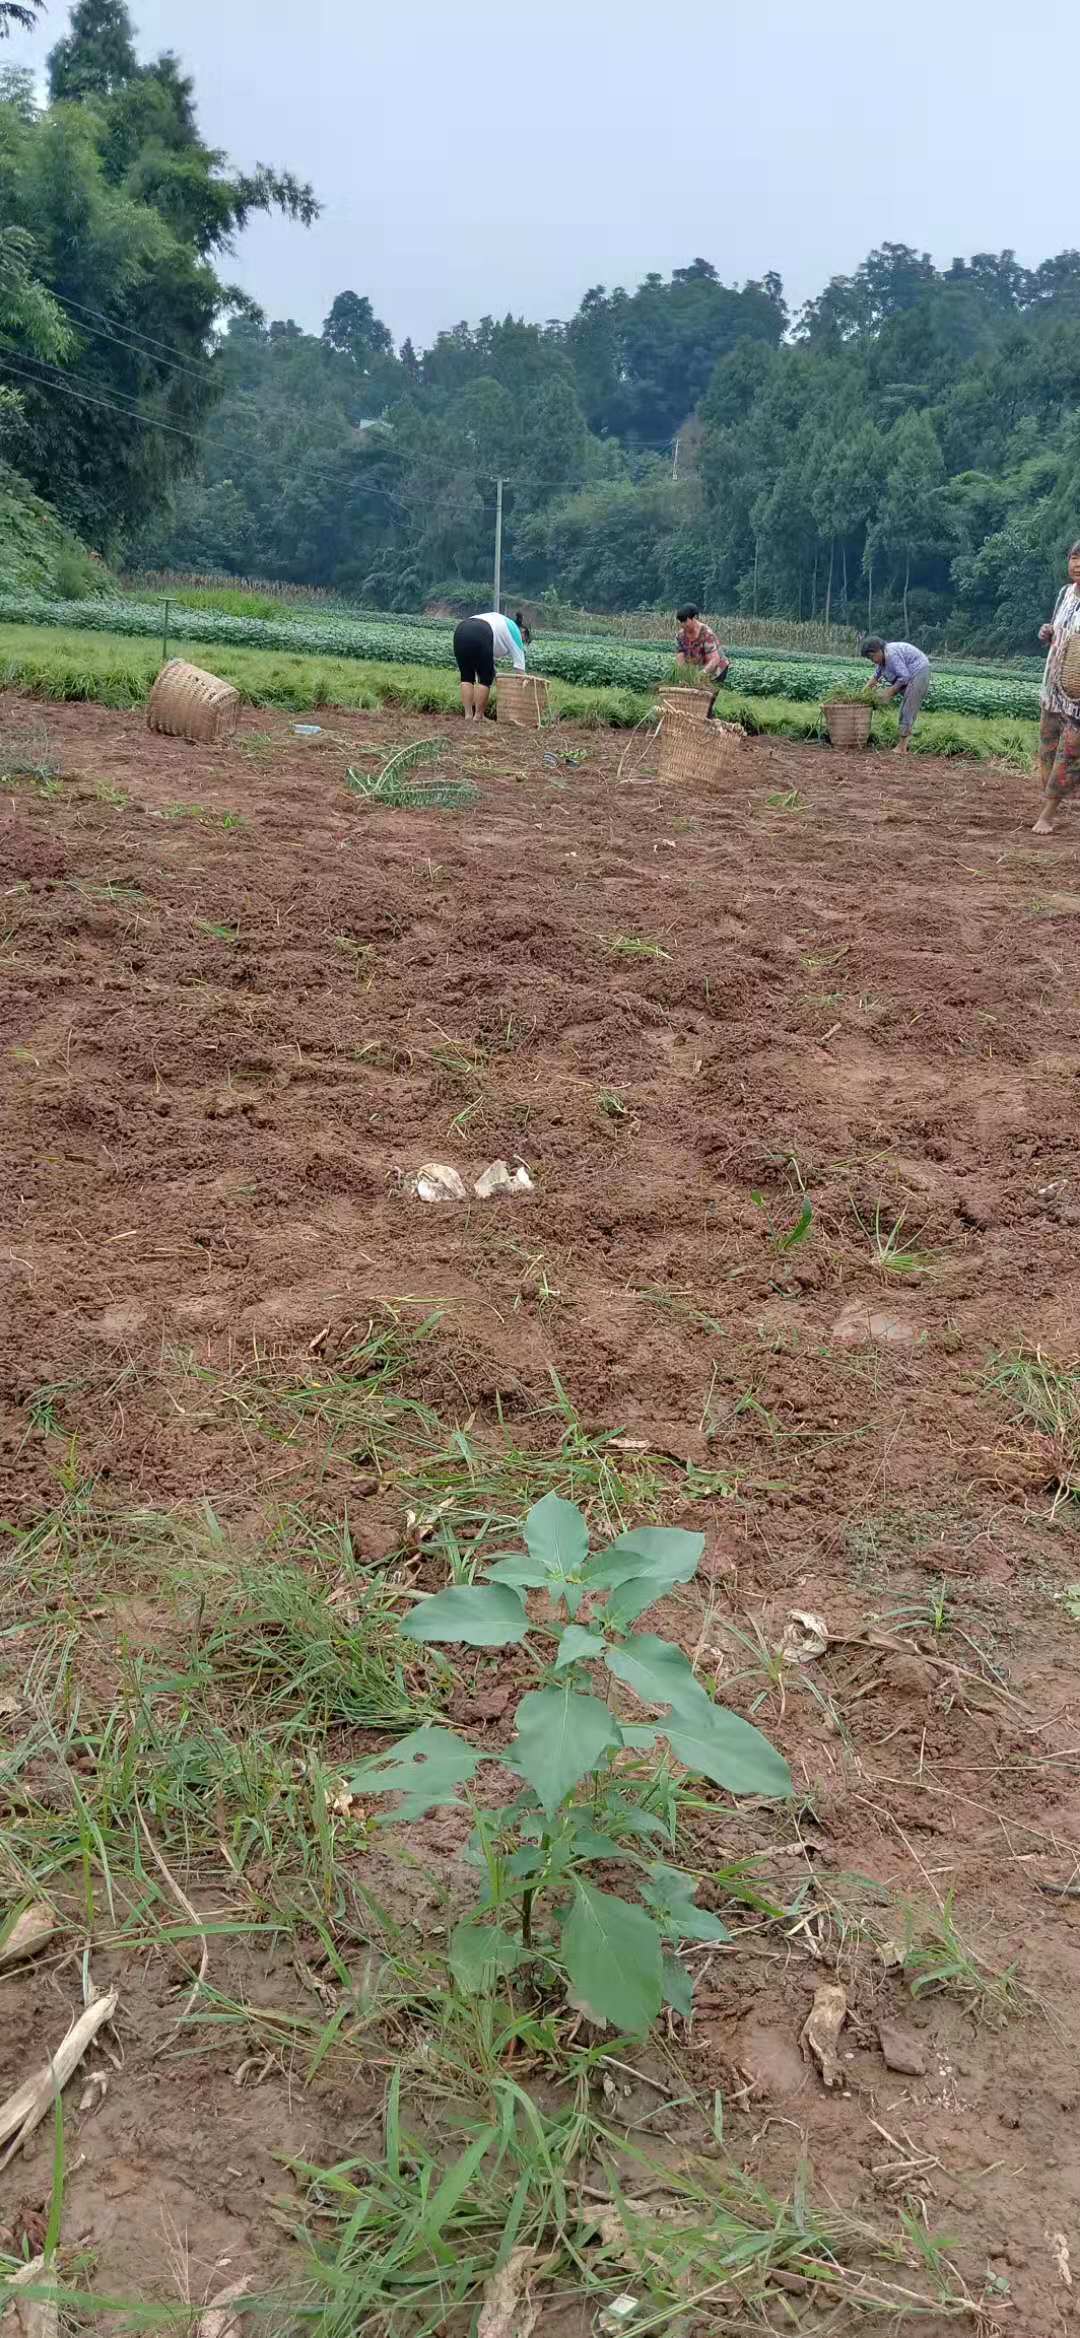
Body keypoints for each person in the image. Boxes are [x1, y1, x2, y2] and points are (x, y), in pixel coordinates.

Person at [1032, 542, 1080, 835]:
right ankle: (1052, 797)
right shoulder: (1065, 594)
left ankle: (1048, 814)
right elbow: (1054, 631)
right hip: (1053, 688)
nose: (1077, 564)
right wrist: (1046, 632)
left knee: (1070, 754)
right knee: (1047, 751)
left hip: (1079, 698)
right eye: (1075, 557)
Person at [452, 608, 527, 721]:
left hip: (461, 629)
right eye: (525, 640)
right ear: (523, 632)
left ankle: (468, 715)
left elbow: (486, 659)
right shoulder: (515, 632)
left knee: (466, 676)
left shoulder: (500, 621)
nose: (523, 642)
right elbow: (520, 670)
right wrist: (526, 680)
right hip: (481, 631)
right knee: (485, 678)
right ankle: (478, 716)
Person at [860, 636, 931, 752]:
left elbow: (904, 677)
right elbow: (875, 678)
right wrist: (861, 694)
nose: (872, 660)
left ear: (878, 650)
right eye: (869, 658)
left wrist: (890, 691)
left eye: (872, 656)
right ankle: (908, 738)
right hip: (911, 675)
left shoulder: (891, 655)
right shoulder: (882, 661)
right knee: (907, 708)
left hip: (919, 672)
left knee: (907, 709)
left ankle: (902, 747)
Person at [675, 606, 730, 688]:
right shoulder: (681, 635)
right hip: (699, 666)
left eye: (685, 621)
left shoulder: (706, 634)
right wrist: (683, 675)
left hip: (716, 668)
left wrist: (701, 674)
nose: (683, 625)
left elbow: (714, 659)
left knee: (704, 695)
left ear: (694, 618)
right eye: (681, 622)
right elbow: (680, 657)